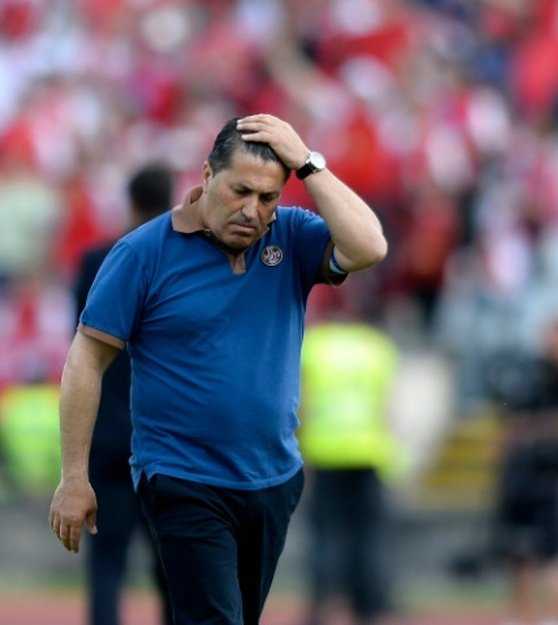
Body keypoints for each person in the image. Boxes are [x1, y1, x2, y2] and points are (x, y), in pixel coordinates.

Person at [48, 114, 387, 625]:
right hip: (182, 476)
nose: (253, 210)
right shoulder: (143, 253)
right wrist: (74, 476)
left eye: (268, 198)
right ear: (207, 176)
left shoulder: (291, 237)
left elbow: (369, 247)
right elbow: (85, 361)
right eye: (240, 191)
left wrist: (309, 164)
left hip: (271, 479)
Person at [73, 164, 173, 625]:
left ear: (129, 201)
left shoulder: (97, 260)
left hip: (107, 429)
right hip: (163, 435)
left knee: (106, 560)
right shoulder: (180, 260)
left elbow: (84, 350)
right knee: (172, 563)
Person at [297, 314, 399, 625]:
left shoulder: (315, 345)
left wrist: (299, 449)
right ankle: (367, 609)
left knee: (327, 536)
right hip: (369, 450)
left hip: (326, 450)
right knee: (367, 537)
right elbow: (386, 406)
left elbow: (304, 403)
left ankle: (322, 608)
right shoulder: (378, 347)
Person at [490, 320, 558, 625]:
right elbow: (513, 423)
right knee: (519, 550)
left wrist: (534, 431)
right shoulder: (533, 376)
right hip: (523, 478)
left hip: (553, 477)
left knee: (554, 553)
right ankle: (520, 616)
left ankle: (556, 615)